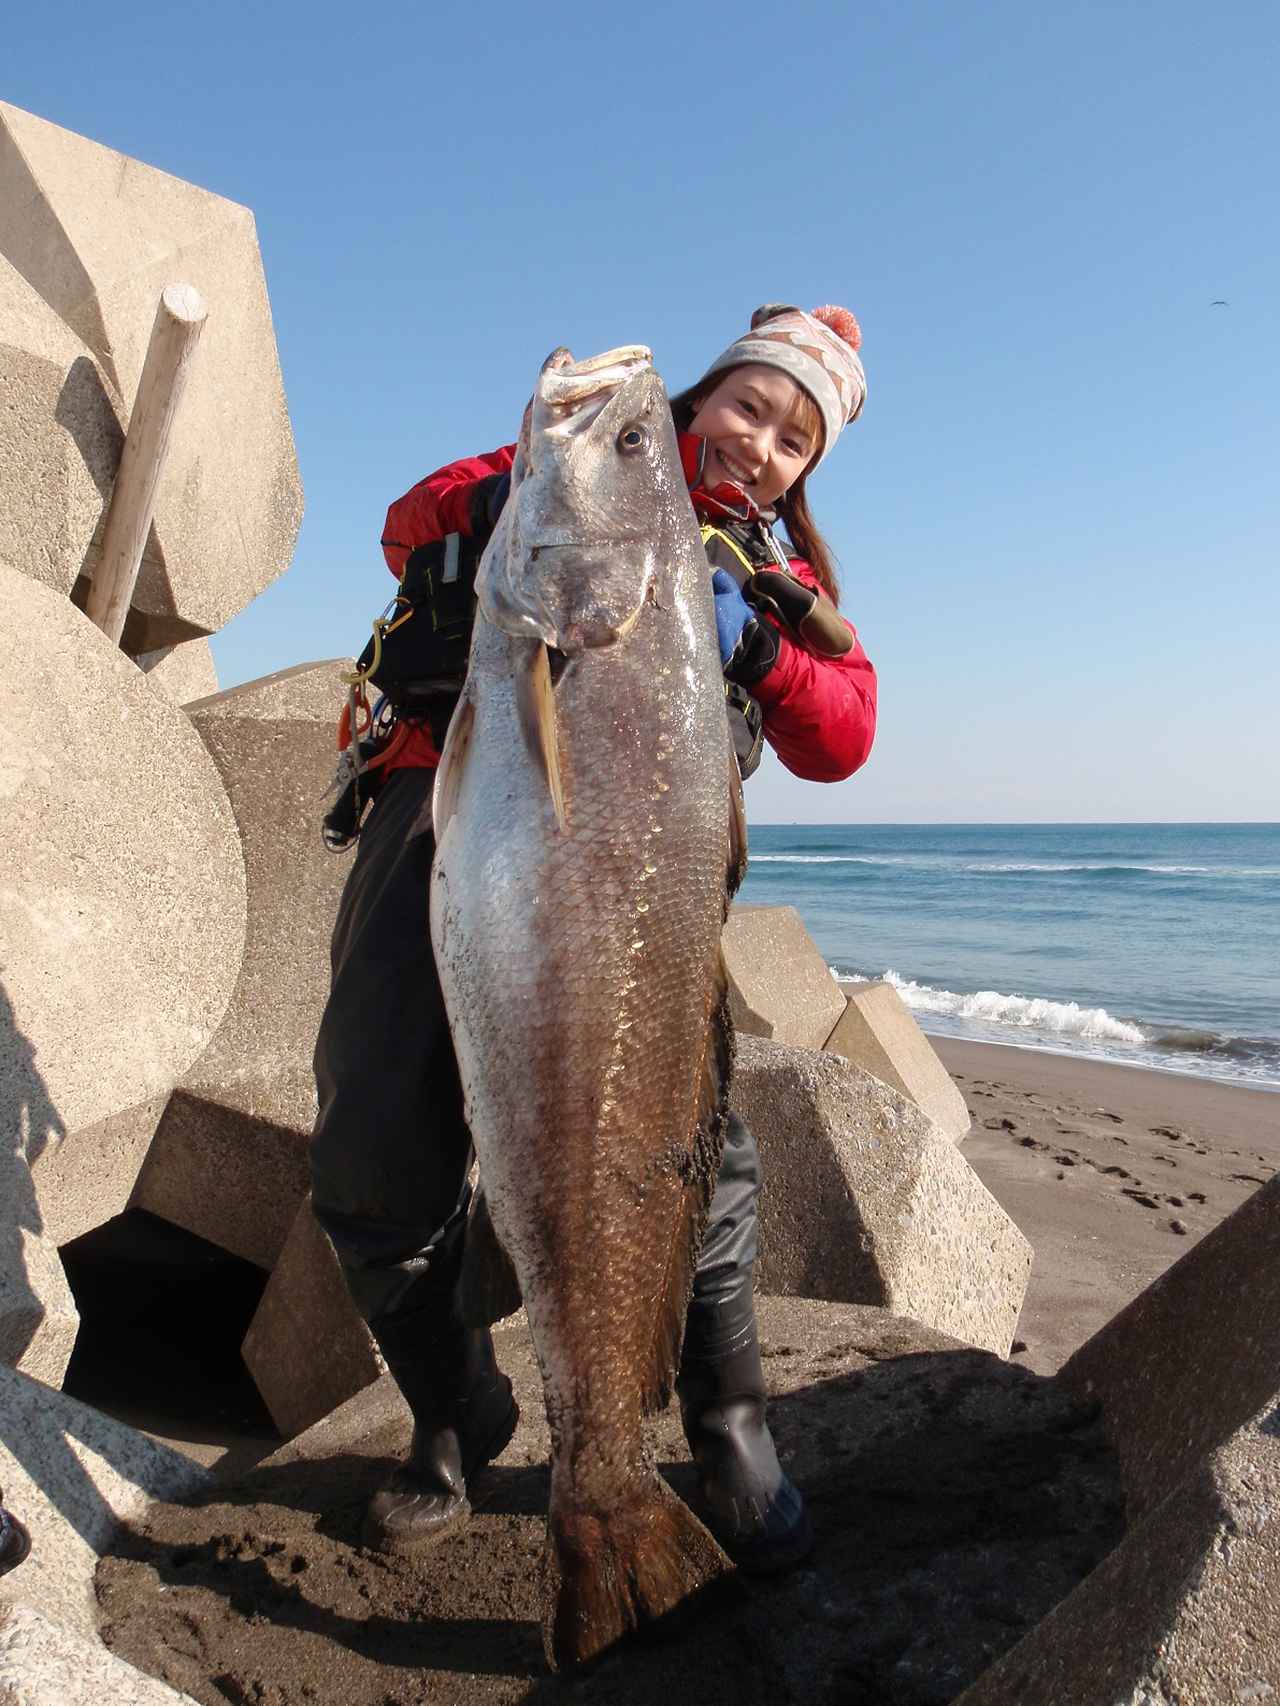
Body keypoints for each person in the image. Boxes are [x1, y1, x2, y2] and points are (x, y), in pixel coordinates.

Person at [310, 303, 877, 1575]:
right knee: (370, 1135)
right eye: (748, 405)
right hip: (443, 820)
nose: (761, 444)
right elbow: (407, 521)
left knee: (691, 1146)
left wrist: (759, 646)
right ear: (705, 399)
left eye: (796, 437)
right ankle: (456, 1413)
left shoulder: (776, 575)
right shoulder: (561, 490)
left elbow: (844, 733)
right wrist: (556, 472)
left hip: (632, 886)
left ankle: (722, 1428)